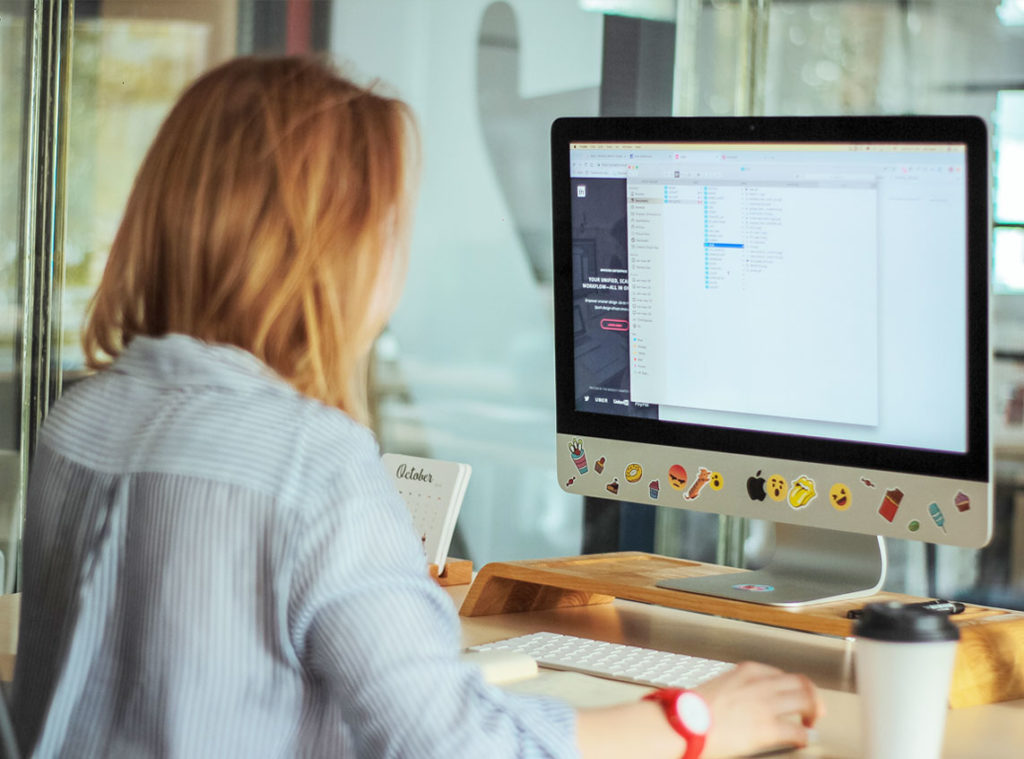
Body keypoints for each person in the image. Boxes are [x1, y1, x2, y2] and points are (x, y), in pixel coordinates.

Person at [11, 56, 822, 758]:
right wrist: (696, 716)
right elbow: (451, 743)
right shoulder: (308, 459)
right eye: (393, 230)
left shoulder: (80, 418)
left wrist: (382, 603)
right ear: (335, 253)